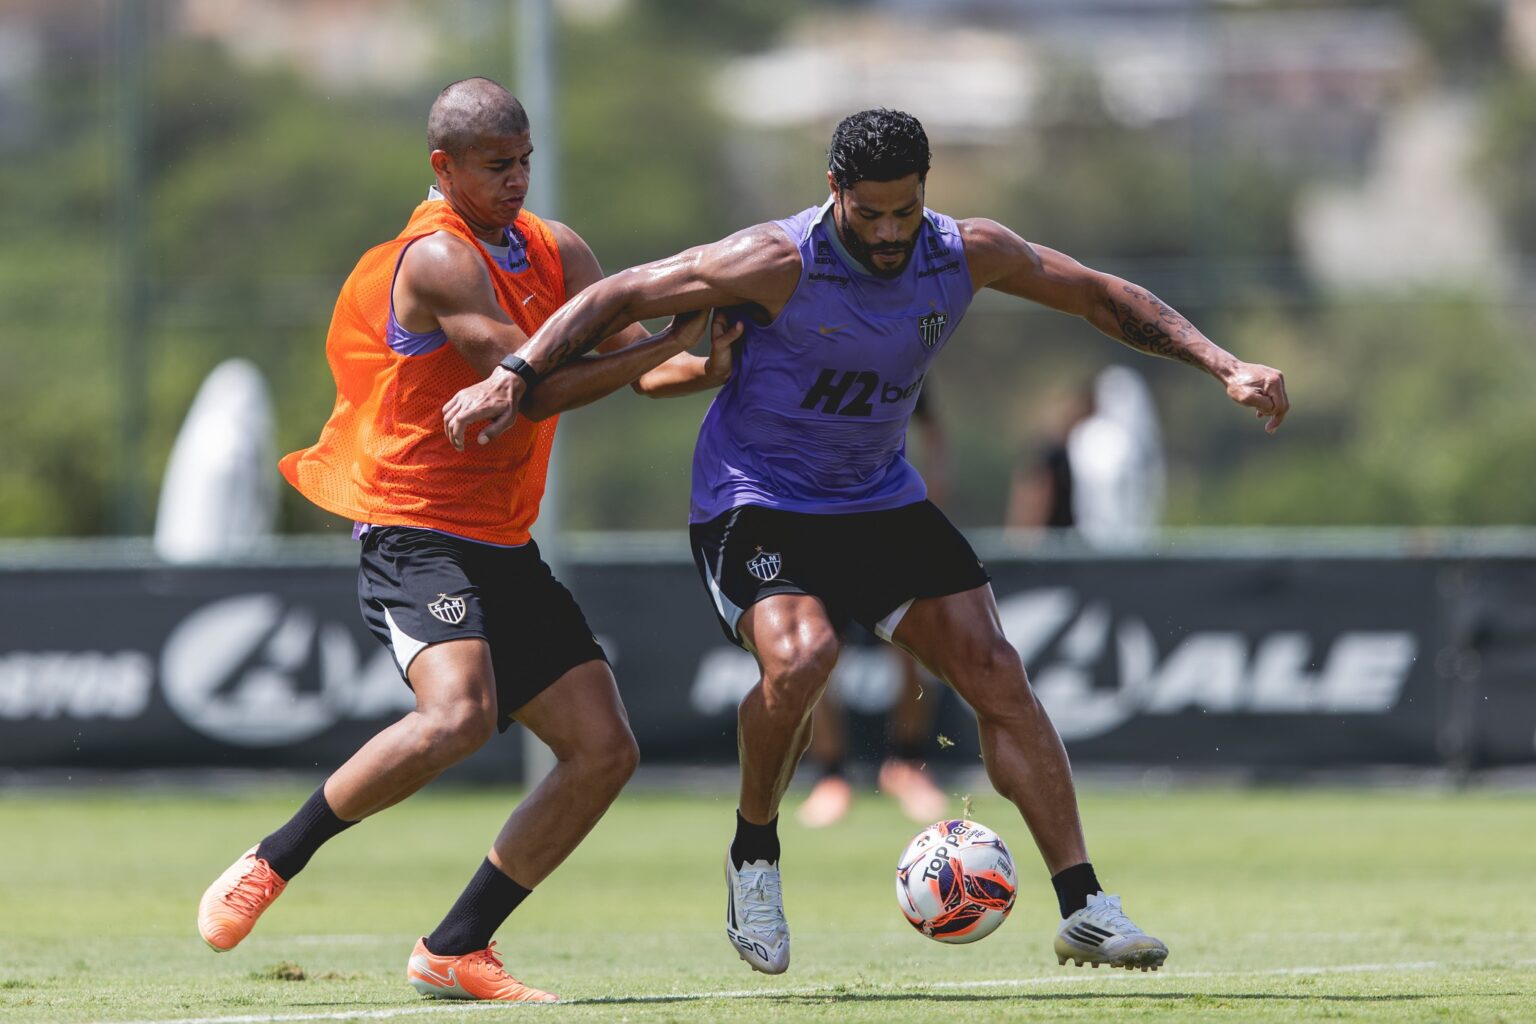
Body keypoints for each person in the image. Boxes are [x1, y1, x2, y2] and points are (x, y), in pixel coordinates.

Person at [443, 107, 1289, 977]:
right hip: (756, 500)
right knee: (803, 658)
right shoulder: (773, 260)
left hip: (878, 499)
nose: (889, 233)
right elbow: (617, 294)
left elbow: (1096, 294)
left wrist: (1224, 363)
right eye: (870, 213)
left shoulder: (965, 252)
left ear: (926, 192)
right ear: (834, 191)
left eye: (905, 211)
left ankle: (1085, 906)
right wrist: (514, 375)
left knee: (996, 672)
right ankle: (754, 854)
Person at [195, 78, 736, 1003]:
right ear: (443, 167)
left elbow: (646, 372)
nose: (517, 179)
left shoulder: (558, 249)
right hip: (413, 525)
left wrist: (711, 358)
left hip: (500, 540)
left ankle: (456, 948)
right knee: (458, 716)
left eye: (524, 160)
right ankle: (274, 859)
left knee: (605, 750)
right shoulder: (439, 258)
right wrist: (662, 344)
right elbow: (531, 387)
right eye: (496, 166)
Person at [797, 385, 950, 829]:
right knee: (817, 650)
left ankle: (908, 763)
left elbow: (932, 428)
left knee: (910, 645)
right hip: (817, 521)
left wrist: (934, 494)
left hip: (889, 519)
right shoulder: (806, 355)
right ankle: (831, 776)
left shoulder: (897, 350)